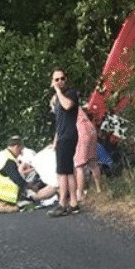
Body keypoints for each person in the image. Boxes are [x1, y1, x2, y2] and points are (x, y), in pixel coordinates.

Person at [47, 68, 80, 217]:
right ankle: (73, 203)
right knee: (67, 172)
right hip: (62, 137)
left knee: (62, 173)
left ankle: (62, 203)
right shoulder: (56, 99)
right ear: (52, 82)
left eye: (62, 79)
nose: (60, 82)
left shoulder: (70, 94)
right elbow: (59, 122)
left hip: (69, 136)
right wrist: (55, 141)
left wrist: (58, 92)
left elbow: (68, 106)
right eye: (56, 79)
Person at [74, 106, 103, 200]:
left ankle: (80, 194)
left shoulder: (65, 107)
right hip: (91, 130)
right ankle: (99, 189)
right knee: (92, 162)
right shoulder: (76, 105)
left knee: (79, 165)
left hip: (82, 132)